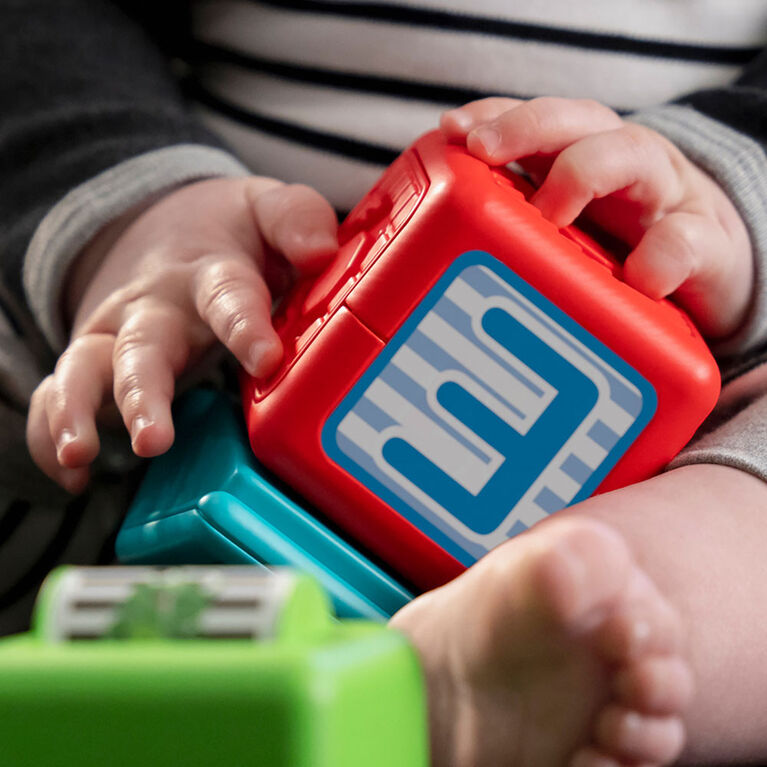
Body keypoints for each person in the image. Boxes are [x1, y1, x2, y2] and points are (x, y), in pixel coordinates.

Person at [2, 2, 767, 765]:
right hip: (212, 323)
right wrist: (140, 219)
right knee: (60, 402)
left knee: (722, 525)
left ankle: (525, 656)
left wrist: (724, 197)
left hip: (684, 415)